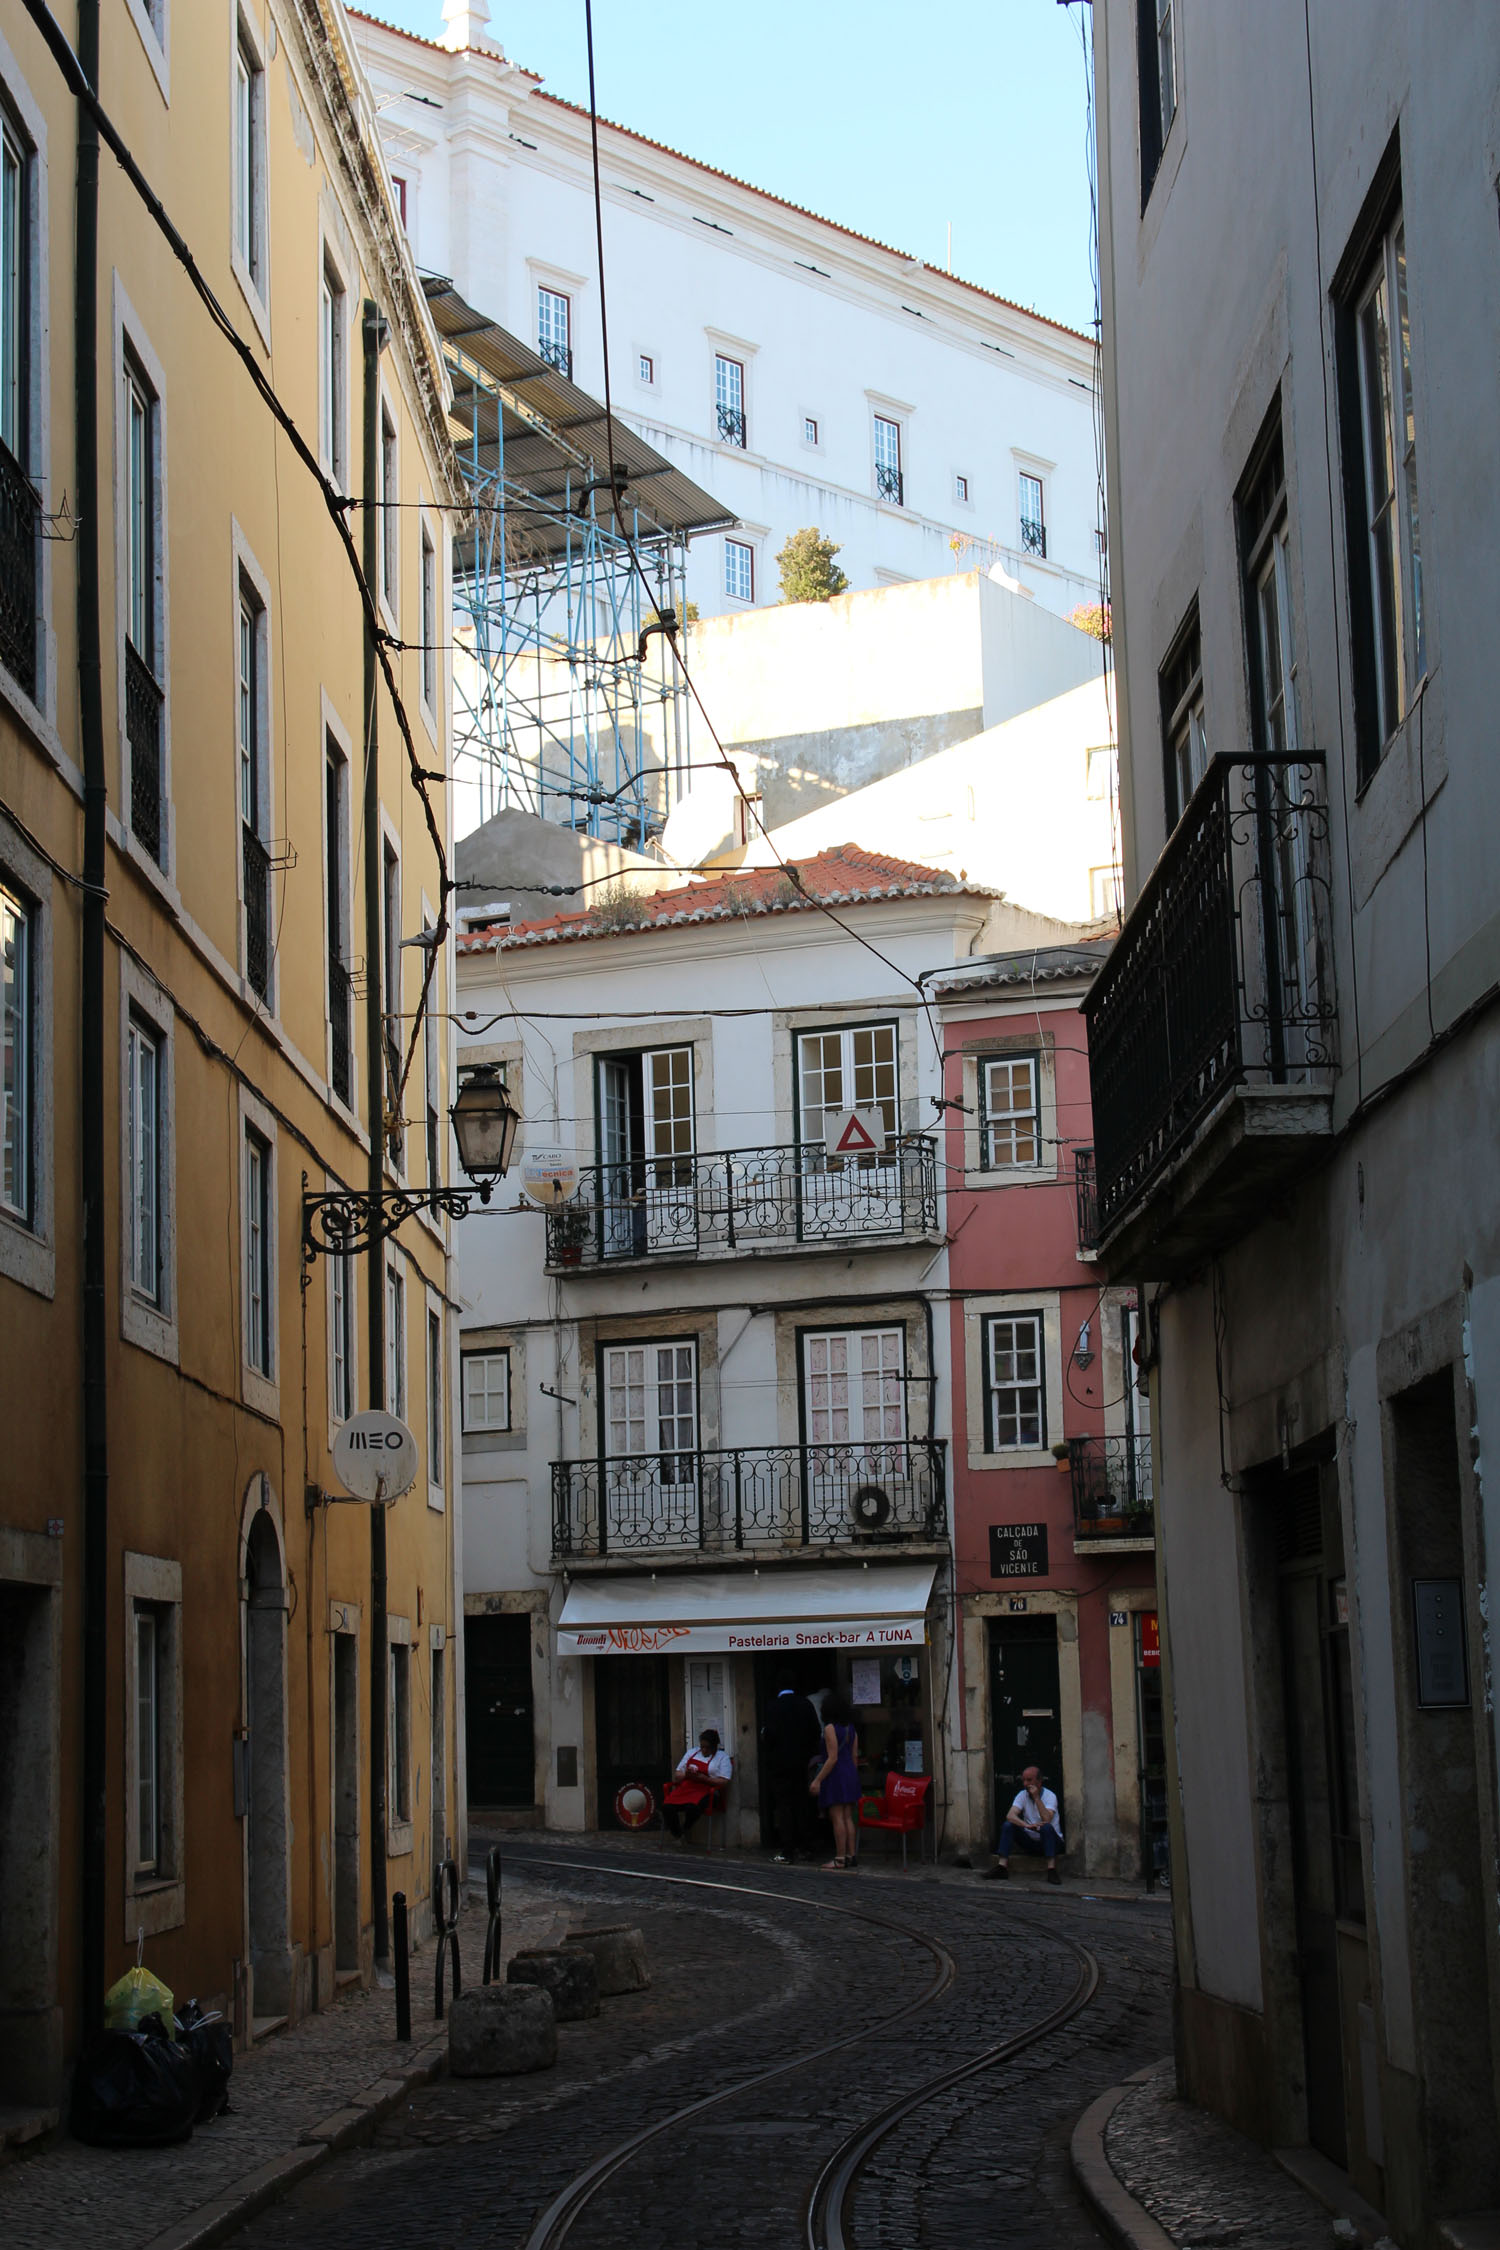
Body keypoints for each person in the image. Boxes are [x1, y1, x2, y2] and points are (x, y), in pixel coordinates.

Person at [761, 1676, 823, 1862]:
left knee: (784, 1806)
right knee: (803, 1805)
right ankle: (806, 1847)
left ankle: (787, 1849)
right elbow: (815, 1732)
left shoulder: (773, 1706)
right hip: (802, 1764)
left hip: (780, 1765)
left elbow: (768, 1736)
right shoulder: (806, 1704)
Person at [982, 1765, 1063, 1882]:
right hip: (1031, 1842)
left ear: (1039, 1781)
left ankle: (1051, 1869)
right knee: (1008, 1825)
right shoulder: (1022, 1795)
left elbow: (1047, 1819)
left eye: (1029, 1780)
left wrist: (1036, 1797)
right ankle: (1001, 1867)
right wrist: (1026, 1825)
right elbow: (1010, 1815)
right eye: (1023, 1780)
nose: (1025, 1784)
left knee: (1046, 1828)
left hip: (1052, 1842)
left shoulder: (1050, 1796)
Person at [809, 1691, 861, 1871]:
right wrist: (852, 1776)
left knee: (837, 1817)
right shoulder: (852, 1728)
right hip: (850, 1774)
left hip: (836, 1775)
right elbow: (854, 1756)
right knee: (848, 1817)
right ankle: (851, 1855)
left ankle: (839, 1858)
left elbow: (832, 1758)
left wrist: (817, 1780)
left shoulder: (830, 1728)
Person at [662, 1729, 733, 1841]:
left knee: (692, 1808)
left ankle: (686, 1827)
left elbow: (724, 1781)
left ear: (714, 1746)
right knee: (667, 1807)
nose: (704, 1750)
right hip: (687, 1787)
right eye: (702, 1747)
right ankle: (677, 1832)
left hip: (708, 1790)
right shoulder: (692, 1752)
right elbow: (678, 1774)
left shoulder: (722, 1757)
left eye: (707, 1748)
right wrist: (687, 1774)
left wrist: (705, 1778)